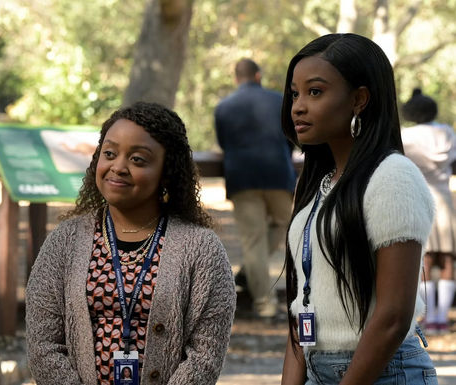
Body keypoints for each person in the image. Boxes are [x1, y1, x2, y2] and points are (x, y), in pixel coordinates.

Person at [26, 102, 235, 385]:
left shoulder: (202, 249)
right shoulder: (64, 242)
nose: (119, 167)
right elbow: (43, 345)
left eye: (138, 159)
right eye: (109, 153)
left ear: (167, 171)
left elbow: (205, 355)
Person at [280, 33, 437, 384]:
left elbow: (393, 317)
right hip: (317, 369)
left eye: (315, 92)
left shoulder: (392, 177)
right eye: (295, 93)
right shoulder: (317, 185)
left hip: (384, 372)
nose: (298, 106)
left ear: (359, 99)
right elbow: (298, 314)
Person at [214, 58, 296, 319]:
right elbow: (292, 136)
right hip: (278, 173)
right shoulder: (280, 100)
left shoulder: (224, 107)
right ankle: (256, 282)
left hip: (242, 177)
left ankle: (264, 303)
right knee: (286, 224)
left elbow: (224, 143)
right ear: (258, 75)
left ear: (237, 78)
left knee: (253, 241)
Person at [401, 88, 456, 335]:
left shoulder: (406, 136)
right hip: (444, 198)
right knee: (447, 258)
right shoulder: (446, 132)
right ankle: (441, 317)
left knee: (423, 258)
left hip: (417, 197)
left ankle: (424, 315)